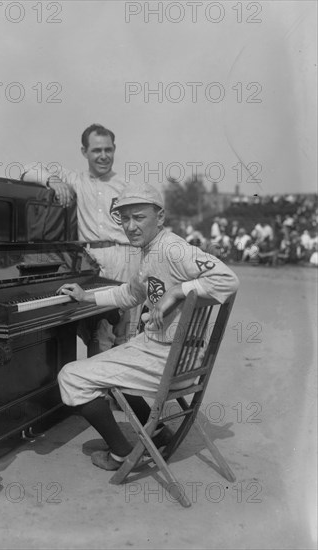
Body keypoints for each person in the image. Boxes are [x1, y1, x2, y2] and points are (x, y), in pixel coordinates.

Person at [55, 182, 239, 471]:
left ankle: (121, 453)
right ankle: (155, 431)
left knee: (70, 375)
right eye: (124, 218)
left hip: (170, 364)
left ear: (160, 217)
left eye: (138, 217)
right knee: (111, 358)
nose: (130, 226)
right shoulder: (152, 249)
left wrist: (177, 291)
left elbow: (228, 279)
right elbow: (129, 294)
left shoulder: (173, 249)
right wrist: (85, 295)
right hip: (175, 357)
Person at [22, 124, 141, 355]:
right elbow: (27, 169)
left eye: (108, 149)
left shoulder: (128, 186)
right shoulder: (74, 179)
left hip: (128, 258)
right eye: (96, 150)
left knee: (126, 334)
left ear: (115, 149)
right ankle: (99, 389)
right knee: (99, 332)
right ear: (84, 151)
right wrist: (53, 181)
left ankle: (122, 391)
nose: (104, 156)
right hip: (95, 261)